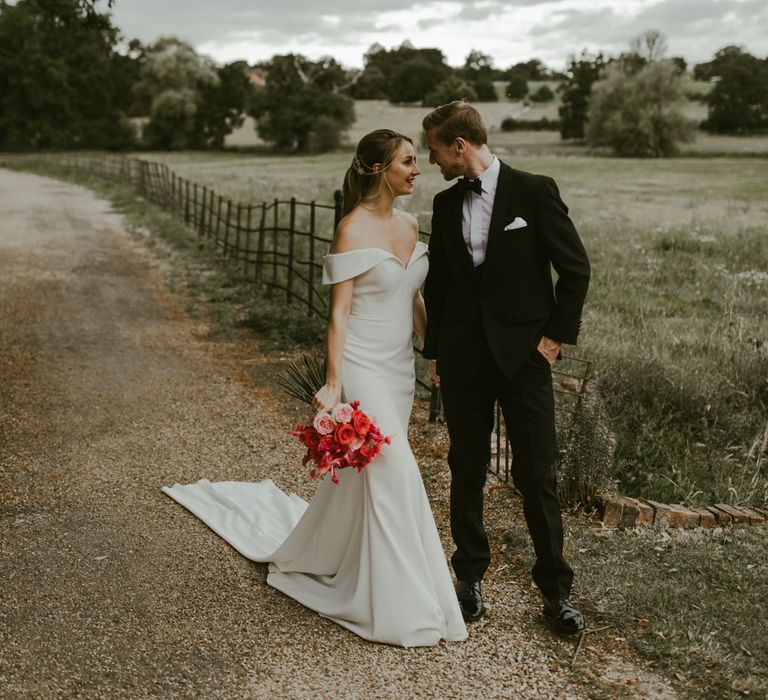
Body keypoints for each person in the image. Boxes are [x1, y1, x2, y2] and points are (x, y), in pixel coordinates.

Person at [163, 129, 467, 648]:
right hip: (361, 366)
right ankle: (407, 602)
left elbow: (411, 299)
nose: (417, 170)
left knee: (375, 481)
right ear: (378, 169)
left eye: (417, 161)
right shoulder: (350, 229)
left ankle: (341, 559)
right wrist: (333, 384)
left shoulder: (413, 223)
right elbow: (339, 314)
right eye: (408, 162)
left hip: (397, 371)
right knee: (397, 472)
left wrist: (431, 350)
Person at [421, 102, 591, 634]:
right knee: (465, 469)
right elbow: (442, 287)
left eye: (434, 151)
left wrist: (553, 340)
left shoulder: (535, 191)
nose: (431, 162)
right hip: (465, 361)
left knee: (536, 474)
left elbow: (575, 269)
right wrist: (436, 357)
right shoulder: (445, 205)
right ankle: (468, 581)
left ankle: (556, 594)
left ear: (459, 147)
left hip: (524, 362)